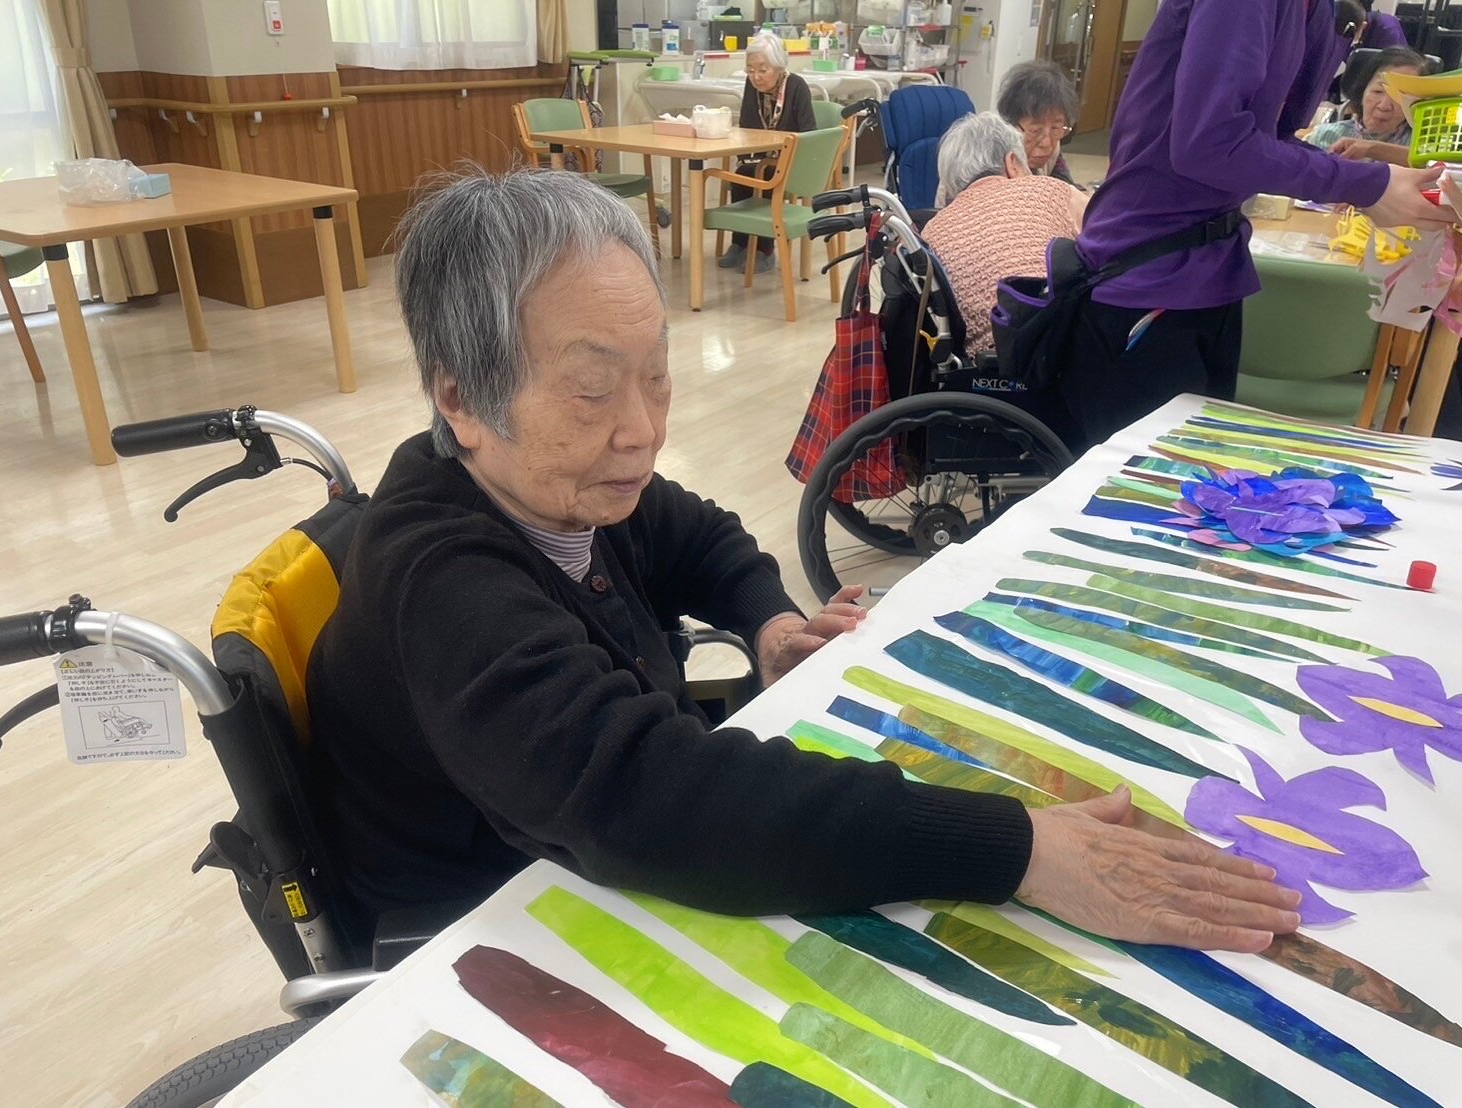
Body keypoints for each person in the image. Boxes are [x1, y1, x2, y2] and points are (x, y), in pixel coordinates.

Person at [307, 166, 1302, 956]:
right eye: (592, 390)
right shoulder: (443, 579)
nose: (641, 430)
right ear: (460, 400)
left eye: (656, 376)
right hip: (481, 926)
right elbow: (651, 800)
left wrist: (769, 620)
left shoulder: (555, 480)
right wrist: (1019, 848)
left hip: (570, 851)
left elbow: (696, 533)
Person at [1057, 0, 1451, 450]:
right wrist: (1368, 184)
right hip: (1149, 273)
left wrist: (1368, 182)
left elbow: (1268, 138)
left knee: (1196, 470)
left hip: (1210, 264)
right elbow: (1211, 143)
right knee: (1146, 479)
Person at [926, 112, 1086, 357]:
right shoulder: (1050, 190)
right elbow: (1109, 235)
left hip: (982, 366)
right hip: (1065, 352)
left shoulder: (932, 230)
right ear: (1012, 164)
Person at [717, 31, 816, 274]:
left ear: (779, 66)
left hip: (792, 161)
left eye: (763, 70)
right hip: (761, 159)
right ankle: (740, 242)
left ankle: (765, 249)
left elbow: (809, 133)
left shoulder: (796, 86)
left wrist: (779, 155)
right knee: (743, 174)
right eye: (750, 70)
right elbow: (747, 126)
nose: (756, 77)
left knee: (765, 175)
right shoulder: (752, 87)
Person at [1312, 46, 1433, 165]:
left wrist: (1371, 149)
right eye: (1377, 92)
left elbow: (1428, 163)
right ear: (1363, 91)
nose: (1384, 106)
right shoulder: (1326, 135)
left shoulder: (1425, 144)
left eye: (1399, 96)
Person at [996, 60, 1080, 186]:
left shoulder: (1053, 150)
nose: (1046, 143)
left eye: (1055, 128)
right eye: (1035, 130)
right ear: (1010, 125)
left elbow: (1065, 188)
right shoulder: (993, 157)